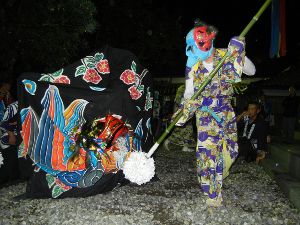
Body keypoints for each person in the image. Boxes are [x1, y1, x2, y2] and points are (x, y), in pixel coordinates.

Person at [174, 19, 256, 207]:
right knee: (207, 156)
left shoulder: (225, 56)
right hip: (205, 115)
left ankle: (218, 177)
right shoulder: (193, 66)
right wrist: (182, 113)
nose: (195, 52)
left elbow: (252, 71)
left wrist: (238, 52)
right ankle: (212, 195)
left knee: (231, 152)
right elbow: (188, 94)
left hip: (226, 112)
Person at [163, 84, 196, 152]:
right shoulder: (185, 90)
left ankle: (184, 147)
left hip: (182, 113)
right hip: (184, 113)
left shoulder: (180, 91)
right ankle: (168, 141)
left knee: (185, 130)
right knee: (185, 130)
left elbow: (176, 104)